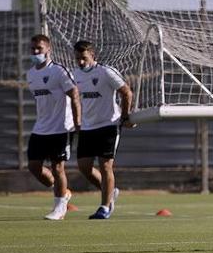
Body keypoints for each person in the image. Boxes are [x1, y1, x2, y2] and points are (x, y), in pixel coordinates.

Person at [72, 40, 134, 219]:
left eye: (84, 58)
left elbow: (126, 92)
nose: (81, 62)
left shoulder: (106, 72)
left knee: (105, 166)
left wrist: (124, 116)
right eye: (77, 59)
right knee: (84, 167)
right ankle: (110, 190)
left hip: (108, 125)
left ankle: (105, 207)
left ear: (93, 56)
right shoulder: (76, 74)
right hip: (87, 127)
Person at [25, 34, 81, 220]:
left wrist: (77, 121)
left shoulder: (58, 71)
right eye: (33, 48)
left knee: (58, 168)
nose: (35, 51)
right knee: (34, 166)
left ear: (48, 49)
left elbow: (74, 94)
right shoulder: (31, 74)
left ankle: (59, 208)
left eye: (39, 48)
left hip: (61, 128)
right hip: (41, 128)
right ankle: (63, 192)